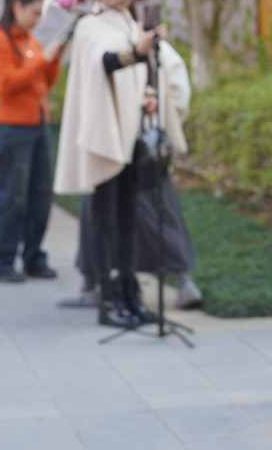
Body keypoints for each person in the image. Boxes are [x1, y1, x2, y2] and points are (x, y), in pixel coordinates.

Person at [53, 0, 175, 329]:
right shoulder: (90, 26)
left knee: (128, 217)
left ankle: (129, 292)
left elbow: (144, 69)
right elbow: (104, 64)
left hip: (130, 129)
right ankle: (107, 297)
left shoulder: (127, 22)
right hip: (105, 132)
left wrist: (149, 92)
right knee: (104, 217)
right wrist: (136, 51)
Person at [62, 35, 199, 309]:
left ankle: (183, 283)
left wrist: (160, 114)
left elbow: (174, 87)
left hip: (139, 145)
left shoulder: (147, 43)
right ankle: (93, 284)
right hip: (111, 146)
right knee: (102, 216)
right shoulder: (101, 33)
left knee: (155, 213)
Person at [0, 0, 64, 283]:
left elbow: (42, 84)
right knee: (11, 198)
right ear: (17, 6)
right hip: (13, 127)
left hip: (37, 124)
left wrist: (53, 60)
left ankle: (33, 257)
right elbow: (4, 85)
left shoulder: (30, 40)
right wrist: (41, 60)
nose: (38, 19)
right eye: (34, 12)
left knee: (40, 196)